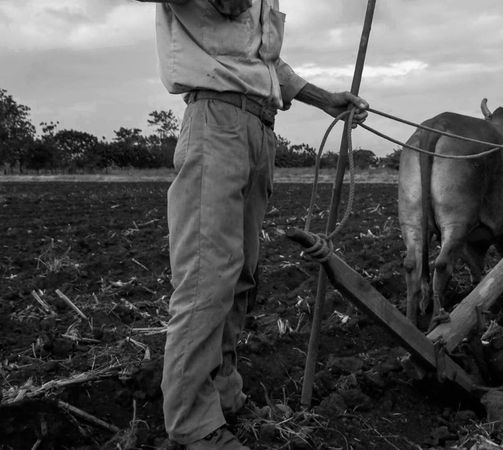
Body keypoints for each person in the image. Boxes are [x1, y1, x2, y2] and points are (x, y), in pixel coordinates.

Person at [141, 0, 369, 448]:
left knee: (241, 274)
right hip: (215, 122)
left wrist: (326, 100)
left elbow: (265, 64)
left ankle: (223, 396)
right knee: (208, 275)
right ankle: (192, 425)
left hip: (260, 128)